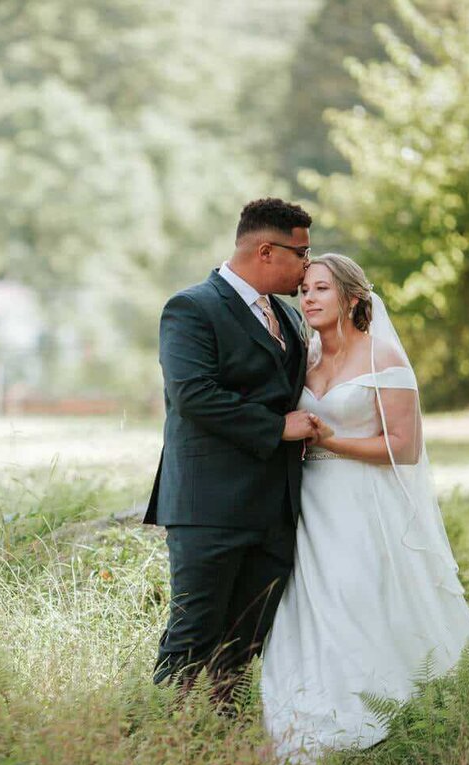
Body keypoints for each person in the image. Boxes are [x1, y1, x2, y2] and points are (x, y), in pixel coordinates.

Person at [260, 253, 469, 765]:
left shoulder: (385, 361)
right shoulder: (302, 360)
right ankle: (314, 699)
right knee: (310, 600)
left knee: (355, 594)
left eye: (321, 289)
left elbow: (406, 447)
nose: (308, 298)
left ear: (352, 298)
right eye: (304, 289)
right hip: (309, 503)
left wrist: (334, 441)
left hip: (361, 500)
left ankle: (381, 698)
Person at [144, 198, 319, 707]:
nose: (309, 265)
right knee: (192, 636)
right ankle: (156, 744)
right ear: (267, 250)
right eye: (302, 253)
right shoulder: (191, 308)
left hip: (275, 509)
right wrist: (276, 427)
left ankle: (223, 744)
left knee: (245, 644)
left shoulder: (287, 317)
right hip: (210, 508)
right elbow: (193, 394)